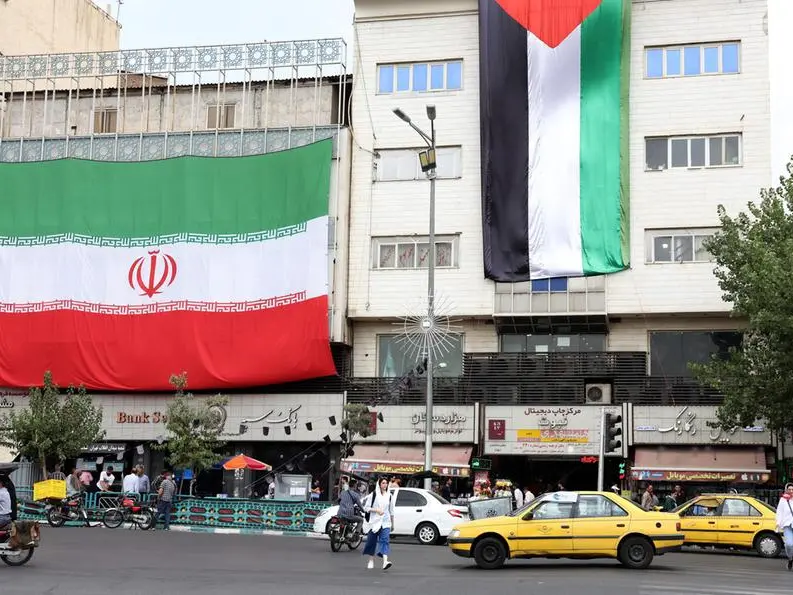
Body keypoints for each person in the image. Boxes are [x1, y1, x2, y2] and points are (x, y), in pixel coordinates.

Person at [362, 477, 395, 570]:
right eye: (383, 483)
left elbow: (391, 511)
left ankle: (385, 561)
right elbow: (366, 508)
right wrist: (376, 510)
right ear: (379, 484)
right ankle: (371, 560)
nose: (385, 485)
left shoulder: (389, 496)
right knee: (371, 541)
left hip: (386, 522)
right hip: (374, 521)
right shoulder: (374, 494)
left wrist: (392, 523)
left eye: (386, 483)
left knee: (385, 540)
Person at [776, 482, 793, 570]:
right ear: (786, 490)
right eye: (789, 489)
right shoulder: (783, 500)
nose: (791, 491)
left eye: (792, 489)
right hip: (787, 525)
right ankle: (790, 558)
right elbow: (779, 512)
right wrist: (778, 524)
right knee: (789, 544)